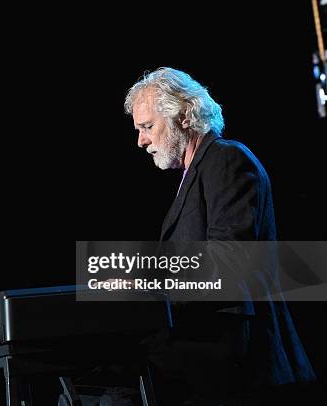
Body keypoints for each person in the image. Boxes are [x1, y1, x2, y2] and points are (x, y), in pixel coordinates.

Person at [123, 67, 316, 405]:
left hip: (242, 369)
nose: (141, 140)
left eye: (148, 126)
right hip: (213, 368)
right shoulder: (198, 171)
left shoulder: (226, 159)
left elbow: (228, 262)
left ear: (183, 116)